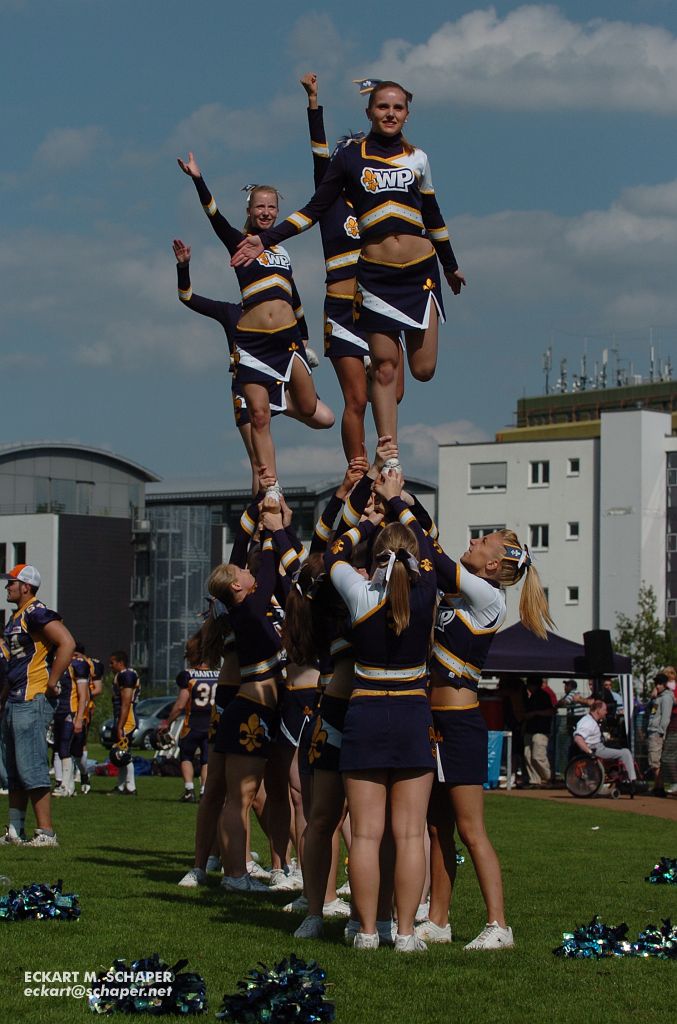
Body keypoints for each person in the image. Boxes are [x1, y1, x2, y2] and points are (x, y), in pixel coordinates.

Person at [232, 79, 465, 450]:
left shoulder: (415, 159)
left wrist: (450, 264)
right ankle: (375, 463)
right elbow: (315, 184)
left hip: (414, 274)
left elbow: (433, 213)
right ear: (369, 111)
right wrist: (313, 105)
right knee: (362, 394)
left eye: (398, 107)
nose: (390, 113)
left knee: (416, 375)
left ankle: (378, 454)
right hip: (356, 297)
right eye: (382, 107)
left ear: (407, 113)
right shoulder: (338, 187)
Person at [420, 531, 553, 951]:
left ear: (494, 566)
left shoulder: (488, 596)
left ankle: (499, 925)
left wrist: (404, 507)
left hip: (461, 724)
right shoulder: (465, 593)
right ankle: (439, 920)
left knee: (471, 829)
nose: (475, 539)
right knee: (437, 826)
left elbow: (435, 560)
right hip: (434, 720)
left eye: (485, 541)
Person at [324, 466, 438, 952]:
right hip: (413, 712)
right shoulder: (428, 588)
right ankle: (407, 933)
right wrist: (395, 501)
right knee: (411, 834)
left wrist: (366, 518)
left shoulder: (357, 589)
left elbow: (331, 549)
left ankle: (368, 932)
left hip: (366, 710)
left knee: (366, 835)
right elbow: (430, 545)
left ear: (374, 557)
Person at [177, 156, 332, 496]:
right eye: (259, 206)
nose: (265, 212)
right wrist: (198, 180)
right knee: (259, 418)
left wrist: (305, 337)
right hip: (254, 345)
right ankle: (272, 488)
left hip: (289, 343)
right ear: (250, 210)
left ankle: (282, 402)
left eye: (271, 207)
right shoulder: (239, 242)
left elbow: (295, 297)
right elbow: (214, 216)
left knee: (315, 412)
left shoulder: (282, 250)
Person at [299, 72, 405, 461]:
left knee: (393, 390)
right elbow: (317, 151)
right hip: (343, 309)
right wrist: (313, 103)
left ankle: (384, 457)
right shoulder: (328, 205)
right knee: (356, 399)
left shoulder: (378, 202)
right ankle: (357, 466)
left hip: (380, 304)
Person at [0, 564, 75, 847]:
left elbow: (66, 641)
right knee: (14, 770)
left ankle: (46, 832)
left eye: (12, 583)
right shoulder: (17, 617)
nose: (7, 587)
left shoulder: (35, 612)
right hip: (16, 698)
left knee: (31, 766)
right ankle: (15, 830)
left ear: (26, 587)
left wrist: (53, 680)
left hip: (32, 697)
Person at [161, 633, 220, 803]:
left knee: (186, 756)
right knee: (206, 759)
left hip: (193, 723)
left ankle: (189, 790)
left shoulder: (189, 675)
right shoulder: (217, 674)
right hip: (212, 723)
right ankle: (204, 790)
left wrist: (168, 722)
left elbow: (180, 704)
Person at [51, 649, 90, 797]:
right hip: (59, 711)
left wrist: (80, 718)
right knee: (60, 749)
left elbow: (83, 695)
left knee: (65, 748)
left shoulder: (77, 666)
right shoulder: (56, 665)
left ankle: (67, 786)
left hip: (71, 711)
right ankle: (70, 785)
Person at [573, 700, 637, 787]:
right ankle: (632, 781)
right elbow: (578, 738)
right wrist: (589, 752)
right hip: (595, 750)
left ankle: (616, 775)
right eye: (604, 710)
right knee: (625, 752)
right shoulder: (588, 722)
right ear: (598, 710)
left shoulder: (591, 720)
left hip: (598, 747)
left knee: (619, 748)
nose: (606, 712)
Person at [108, 650, 141, 796]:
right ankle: (122, 786)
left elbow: (126, 702)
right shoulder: (123, 675)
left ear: (120, 663)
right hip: (125, 716)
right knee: (120, 752)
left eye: (112, 662)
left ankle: (130, 787)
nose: (110, 665)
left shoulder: (126, 675)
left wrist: (120, 725)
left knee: (123, 753)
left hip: (128, 718)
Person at [646, 672, 674, 797]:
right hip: (654, 730)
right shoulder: (658, 697)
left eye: (659, 683)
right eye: (656, 683)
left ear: (664, 685)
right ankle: (657, 787)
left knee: (654, 761)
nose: (656, 686)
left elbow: (666, 717)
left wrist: (661, 732)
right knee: (655, 761)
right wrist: (652, 697)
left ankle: (660, 788)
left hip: (657, 732)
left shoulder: (666, 697)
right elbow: (649, 709)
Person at [522, 677, 554, 786]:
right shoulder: (531, 697)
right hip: (530, 729)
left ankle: (548, 777)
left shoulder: (543, 696)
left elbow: (551, 711)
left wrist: (535, 713)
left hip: (541, 730)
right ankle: (535, 780)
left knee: (537, 756)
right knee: (528, 756)